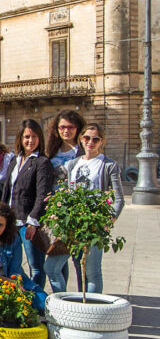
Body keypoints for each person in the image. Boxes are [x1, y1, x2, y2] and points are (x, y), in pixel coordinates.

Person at [50, 123, 124, 293]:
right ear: (81, 139)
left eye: (95, 139)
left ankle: (91, 306)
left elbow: (119, 199)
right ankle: (70, 302)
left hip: (94, 223)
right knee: (59, 267)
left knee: (92, 272)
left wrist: (108, 221)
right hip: (72, 223)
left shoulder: (108, 165)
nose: (90, 142)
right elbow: (67, 192)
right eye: (87, 138)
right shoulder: (72, 164)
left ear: (101, 141)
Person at [0, 119, 54, 291]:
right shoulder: (15, 160)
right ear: (20, 138)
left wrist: (33, 222)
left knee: (35, 266)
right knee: (10, 262)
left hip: (27, 222)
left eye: (34, 137)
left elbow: (43, 194)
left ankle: (37, 298)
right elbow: (8, 190)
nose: (30, 141)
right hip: (11, 222)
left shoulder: (42, 162)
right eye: (27, 137)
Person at [0, 202, 47, 311]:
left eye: (0, 225)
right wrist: (10, 283)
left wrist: (17, 286)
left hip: (14, 279)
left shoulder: (14, 239)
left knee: (44, 303)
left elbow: (15, 269)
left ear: (6, 226)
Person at [43, 110, 87, 291]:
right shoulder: (51, 150)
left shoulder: (83, 150)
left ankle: (82, 297)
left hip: (78, 211)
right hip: (55, 211)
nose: (66, 131)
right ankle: (61, 297)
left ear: (78, 128)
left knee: (79, 261)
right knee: (59, 256)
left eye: (70, 127)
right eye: (62, 127)